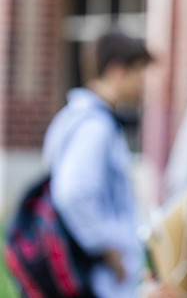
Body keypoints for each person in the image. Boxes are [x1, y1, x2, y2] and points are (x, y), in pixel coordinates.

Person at [42, 30, 154, 297]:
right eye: (139, 73)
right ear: (117, 71)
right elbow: (73, 193)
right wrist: (108, 251)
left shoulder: (76, 116)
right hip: (95, 278)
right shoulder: (94, 126)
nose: (143, 84)